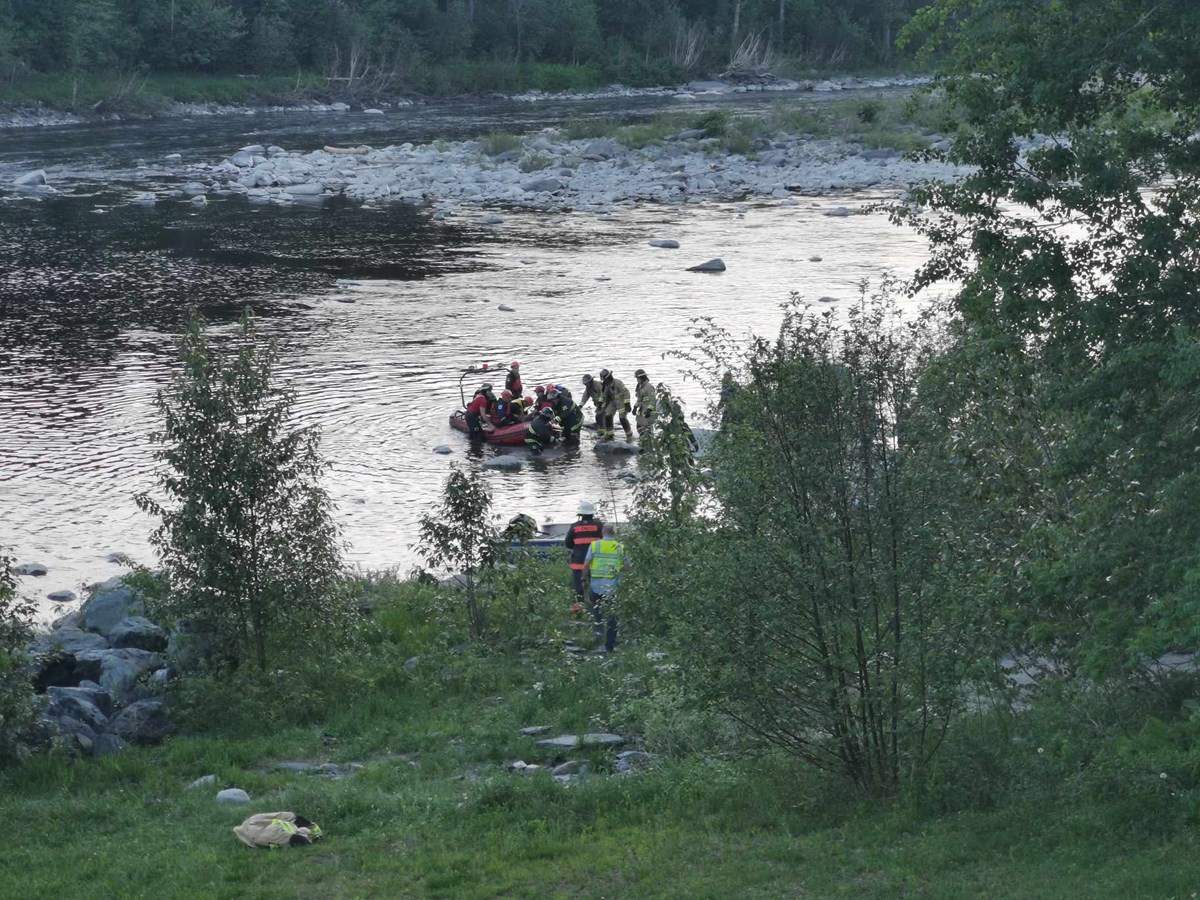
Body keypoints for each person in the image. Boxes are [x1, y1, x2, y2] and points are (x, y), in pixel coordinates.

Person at [582, 522, 624, 653]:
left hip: (596, 585)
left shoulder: (595, 545)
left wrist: (584, 579)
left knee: (594, 607)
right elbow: (628, 567)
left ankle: (599, 631)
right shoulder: (620, 547)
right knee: (613, 615)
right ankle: (610, 644)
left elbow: (586, 565)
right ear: (614, 533)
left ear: (602, 533)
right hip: (613, 586)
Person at [564, 500, 603, 605]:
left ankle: (578, 613)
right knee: (596, 588)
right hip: (595, 564)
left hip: (578, 564)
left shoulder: (575, 526)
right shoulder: (599, 526)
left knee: (578, 589)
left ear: (580, 514)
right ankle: (595, 609)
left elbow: (568, 544)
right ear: (592, 513)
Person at [598, 368, 632, 442]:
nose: (604, 381)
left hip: (621, 401)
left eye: (604, 379)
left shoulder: (618, 383)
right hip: (612, 402)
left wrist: (627, 403)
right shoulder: (605, 385)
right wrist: (600, 404)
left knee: (622, 418)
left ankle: (629, 434)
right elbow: (602, 395)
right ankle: (610, 434)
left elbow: (626, 392)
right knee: (607, 416)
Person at [632, 368, 656, 441]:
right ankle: (643, 441)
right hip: (641, 410)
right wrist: (635, 407)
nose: (637, 380)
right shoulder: (640, 387)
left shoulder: (649, 387)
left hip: (647, 411)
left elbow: (652, 400)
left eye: (637, 378)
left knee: (647, 428)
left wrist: (649, 410)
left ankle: (649, 442)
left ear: (641, 378)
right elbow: (639, 399)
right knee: (639, 426)